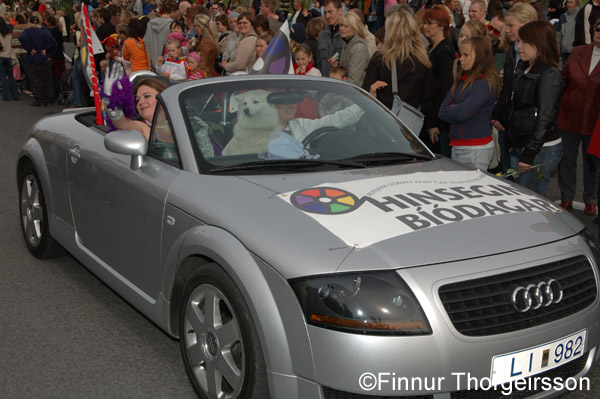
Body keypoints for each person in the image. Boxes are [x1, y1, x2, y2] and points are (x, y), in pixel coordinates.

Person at [508, 20, 564, 196]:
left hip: (540, 150)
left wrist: (530, 153)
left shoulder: (549, 75)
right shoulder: (524, 67)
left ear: (539, 44)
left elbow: (545, 118)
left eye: (525, 42)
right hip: (522, 145)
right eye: (519, 41)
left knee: (529, 202)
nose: (519, 46)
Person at [362, 8, 436, 139]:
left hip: (383, 123)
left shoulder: (380, 59)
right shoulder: (422, 59)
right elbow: (429, 97)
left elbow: (367, 91)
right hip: (412, 127)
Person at [556, 18, 600, 214]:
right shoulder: (577, 52)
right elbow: (562, 81)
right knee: (567, 158)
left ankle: (590, 199)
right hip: (568, 116)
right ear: (592, 30)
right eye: (598, 28)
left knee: (591, 162)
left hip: (594, 121)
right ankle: (566, 197)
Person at [439, 36, 500, 170]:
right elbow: (442, 111)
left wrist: (456, 109)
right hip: (459, 145)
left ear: (479, 56)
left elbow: (463, 113)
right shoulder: (462, 79)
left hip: (476, 148)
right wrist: (460, 109)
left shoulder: (484, 83)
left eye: (466, 55)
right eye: (461, 54)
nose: (461, 58)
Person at [492, 3, 538, 172]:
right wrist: (497, 116)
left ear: (527, 23)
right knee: (508, 176)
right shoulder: (512, 51)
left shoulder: (538, 56)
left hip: (526, 135)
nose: (507, 30)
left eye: (511, 26)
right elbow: (507, 90)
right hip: (507, 127)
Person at [422, 6, 456, 156]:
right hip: (429, 113)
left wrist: (433, 122)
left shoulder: (444, 51)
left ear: (441, 25)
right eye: (424, 23)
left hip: (436, 118)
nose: (425, 27)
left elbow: (443, 91)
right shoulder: (431, 47)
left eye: (429, 23)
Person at [19, 15, 57, 106]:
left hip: (34, 58)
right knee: (45, 79)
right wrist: (46, 50)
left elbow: (21, 38)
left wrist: (29, 48)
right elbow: (53, 41)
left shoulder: (28, 31)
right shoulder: (44, 31)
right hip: (43, 58)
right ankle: (47, 100)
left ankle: (39, 99)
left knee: (36, 80)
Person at [329, 12, 369, 85]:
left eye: (346, 26)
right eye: (341, 25)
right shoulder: (346, 43)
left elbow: (354, 80)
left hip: (354, 91)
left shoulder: (358, 48)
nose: (342, 28)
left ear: (354, 28)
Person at [317, 0, 344, 76]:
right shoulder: (321, 35)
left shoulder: (347, 34)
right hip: (325, 82)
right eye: (325, 13)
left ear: (340, 10)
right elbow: (319, 63)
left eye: (330, 12)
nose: (327, 16)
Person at [0, 17, 19, 101]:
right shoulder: (9, 33)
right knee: (11, 76)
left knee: (2, 76)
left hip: (1, 55)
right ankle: (15, 95)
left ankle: (6, 95)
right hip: (8, 56)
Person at [556, 0, 581, 64]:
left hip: (576, 49)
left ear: (576, 4)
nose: (569, 4)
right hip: (565, 50)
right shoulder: (563, 16)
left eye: (571, 2)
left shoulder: (580, 15)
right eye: (568, 2)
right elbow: (558, 33)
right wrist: (558, 46)